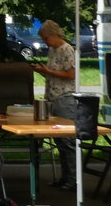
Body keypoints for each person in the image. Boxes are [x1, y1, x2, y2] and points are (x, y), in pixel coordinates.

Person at [31, 18, 78, 190]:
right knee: (59, 141)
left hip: (65, 98)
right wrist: (43, 71)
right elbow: (54, 74)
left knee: (67, 140)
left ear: (55, 35)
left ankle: (72, 179)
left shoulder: (67, 50)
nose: (45, 42)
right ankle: (65, 177)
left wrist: (47, 71)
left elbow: (71, 75)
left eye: (46, 38)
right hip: (51, 96)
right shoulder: (52, 50)